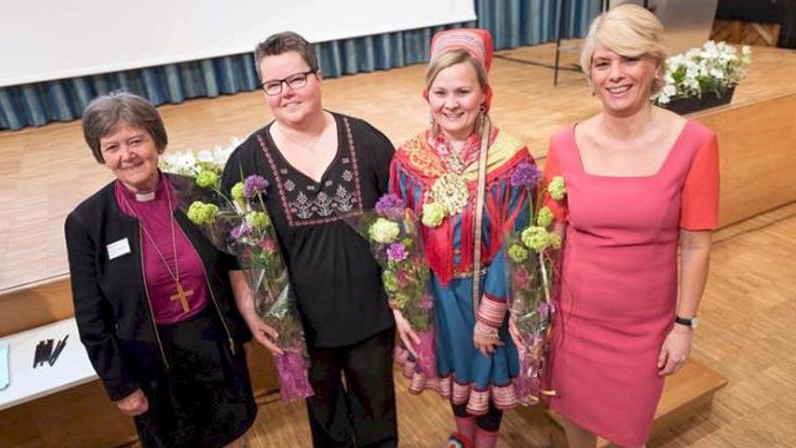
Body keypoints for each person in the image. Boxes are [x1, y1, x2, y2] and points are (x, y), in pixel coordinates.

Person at [543, 5, 720, 447]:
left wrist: (684, 326)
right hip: (573, 322)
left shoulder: (695, 144)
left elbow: (696, 246)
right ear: (590, 74)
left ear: (655, 65)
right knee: (575, 424)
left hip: (643, 331)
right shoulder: (564, 144)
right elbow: (553, 236)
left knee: (629, 434)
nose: (615, 74)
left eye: (629, 58)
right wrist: (539, 311)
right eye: (603, 63)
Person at [220, 31, 398, 447]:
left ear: (318, 76)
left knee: (379, 422)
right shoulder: (246, 161)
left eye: (296, 79)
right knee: (327, 427)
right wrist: (249, 309)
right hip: (300, 329)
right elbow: (232, 254)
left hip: (371, 319)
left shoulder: (367, 141)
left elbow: (398, 226)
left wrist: (404, 303)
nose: (287, 93)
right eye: (273, 85)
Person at [64, 92, 257, 447]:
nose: (127, 155)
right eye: (112, 147)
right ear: (100, 155)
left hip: (214, 347)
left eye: (136, 140)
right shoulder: (87, 222)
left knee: (232, 438)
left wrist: (241, 335)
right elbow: (91, 317)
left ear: (158, 140)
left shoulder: (199, 195)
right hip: (151, 364)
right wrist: (120, 385)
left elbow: (231, 271)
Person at [389, 29, 534, 448]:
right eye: (441, 92)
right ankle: (462, 438)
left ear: (484, 94)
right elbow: (397, 239)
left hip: (488, 293)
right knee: (454, 375)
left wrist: (491, 317)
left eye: (463, 91)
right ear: (427, 96)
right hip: (438, 293)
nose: (451, 104)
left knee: (485, 375)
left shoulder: (510, 159)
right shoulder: (408, 159)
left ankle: (483, 445)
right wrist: (404, 301)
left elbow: (516, 244)